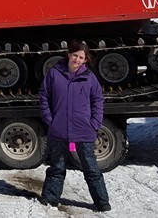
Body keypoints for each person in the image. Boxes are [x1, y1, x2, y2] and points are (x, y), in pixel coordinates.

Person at [38, 40, 111, 212]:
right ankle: (50, 198)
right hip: (59, 130)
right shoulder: (54, 74)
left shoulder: (89, 78)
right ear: (68, 55)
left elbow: (98, 100)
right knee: (57, 167)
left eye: (81, 57)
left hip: (83, 131)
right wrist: (49, 119)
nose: (76, 60)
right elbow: (44, 96)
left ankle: (102, 201)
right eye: (74, 55)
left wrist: (94, 122)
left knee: (92, 169)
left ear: (85, 60)